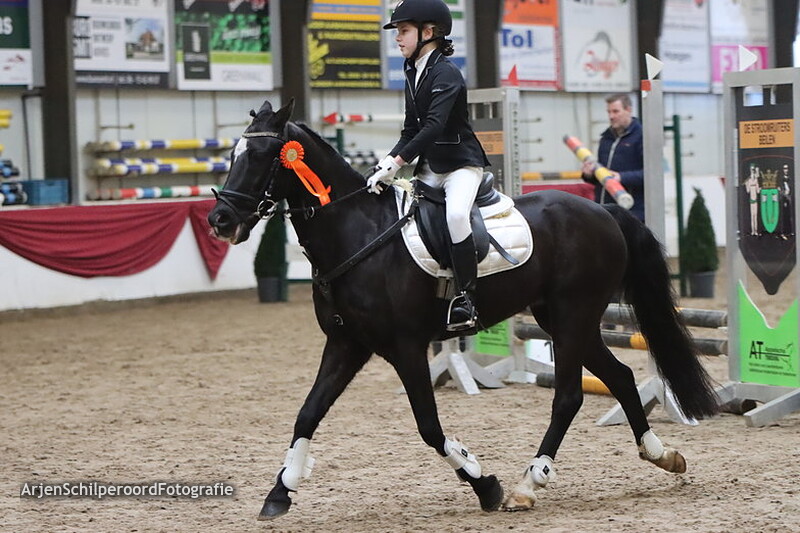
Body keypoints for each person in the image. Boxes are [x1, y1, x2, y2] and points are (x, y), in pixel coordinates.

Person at [367, 0, 490, 332]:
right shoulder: (412, 70)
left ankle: (467, 299)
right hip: (429, 167)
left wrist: (398, 161)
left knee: (455, 216)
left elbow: (434, 126)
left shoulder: (446, 72)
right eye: (398, 32)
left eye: (404, 31)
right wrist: (385, 163)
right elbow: (410, 130)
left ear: (429, 32)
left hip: (461, 165)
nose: (398, 38)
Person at [581, 93, 645, 222]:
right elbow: (602, 176)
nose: (611, 116)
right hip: (604, 210)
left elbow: (651, 175)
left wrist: (621, 177)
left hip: (631, 213)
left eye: (616, 111)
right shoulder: (606, 138)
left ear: (628, 110)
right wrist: (589, 174)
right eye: (609, 112)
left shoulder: (642, 136)